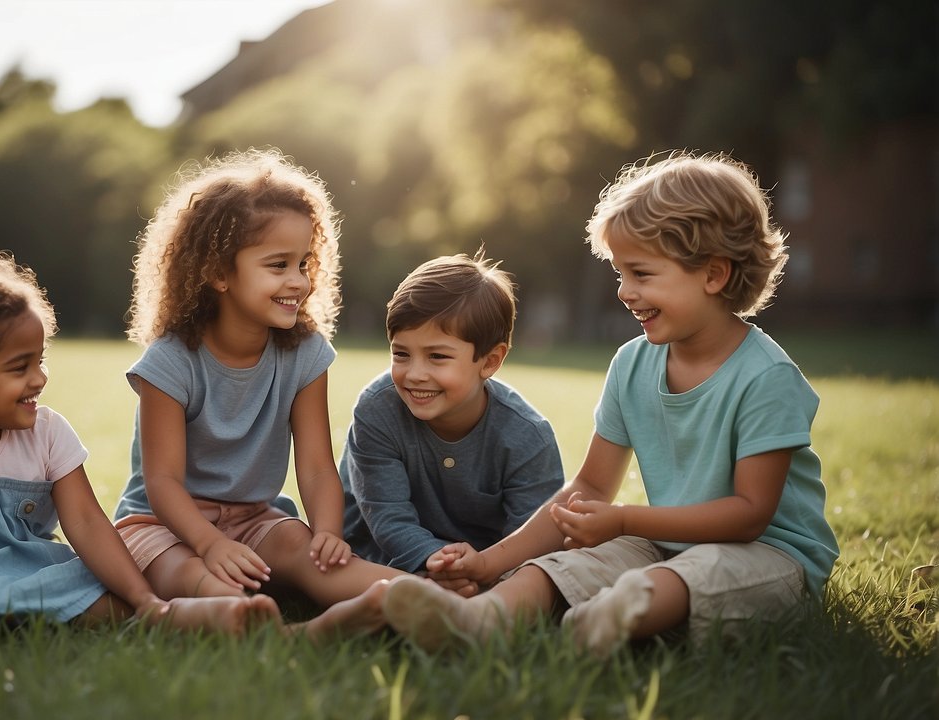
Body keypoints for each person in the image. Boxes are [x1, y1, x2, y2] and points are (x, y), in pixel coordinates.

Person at [382, 151, 841, 655]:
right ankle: (480, 618)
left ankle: (612, 621)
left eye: (641, 274)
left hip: (769, 558)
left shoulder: (765, 377)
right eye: (620, 273)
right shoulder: (633, 364)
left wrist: (625, 520)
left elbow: (749, 515)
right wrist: (491, 562)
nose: (624, 292)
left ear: (713, 275)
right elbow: (590, 487)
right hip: (668, 542)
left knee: (694, 573)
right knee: (575, 561)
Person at [0, 250, 281, 634]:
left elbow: (86, 524)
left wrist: (141, 594)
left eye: (40, 361)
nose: (39, 379)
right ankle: (187, 620)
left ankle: (165, 613)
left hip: (43, 570)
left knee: (122, 572)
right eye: (19, 367)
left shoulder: (46, 433)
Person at [112, 148, 396, 639]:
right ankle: (284, 631)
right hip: (164, 525)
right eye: (277, 264)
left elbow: (315, 466)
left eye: (304, 262)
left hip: (256, 519)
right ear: (219, 274)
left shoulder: (305, 354)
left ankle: (426, 597)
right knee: (188, 575)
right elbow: (161, 483)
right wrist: (207, 543)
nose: (298, 281)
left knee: (310, 556)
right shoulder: (171, 361)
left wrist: (328, 533)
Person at [340, 252, 563, 586]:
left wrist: (477, 569)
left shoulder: (527, 437)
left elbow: (532, 535)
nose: (415, 374)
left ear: (489, 361)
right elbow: (386, 516)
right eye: (401, 354)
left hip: (483, 563)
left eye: (437, 357)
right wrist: (434, 560)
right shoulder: (378, 409)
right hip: (377, 554)